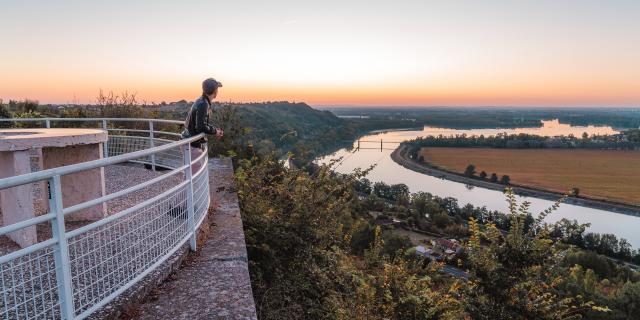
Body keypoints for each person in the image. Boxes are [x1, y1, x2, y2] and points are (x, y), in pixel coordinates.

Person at [182, 78, 224, 174]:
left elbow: (202, 123)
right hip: (191, 144)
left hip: (189, 142)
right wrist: (215, 131)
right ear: (214, 91)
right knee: (194, 177)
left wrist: (214, 130)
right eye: (217, 89)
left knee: (191, 176)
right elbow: (201, 126)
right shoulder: (203, 104)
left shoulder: (202, 101)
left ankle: (189, 189)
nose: (218, 91)